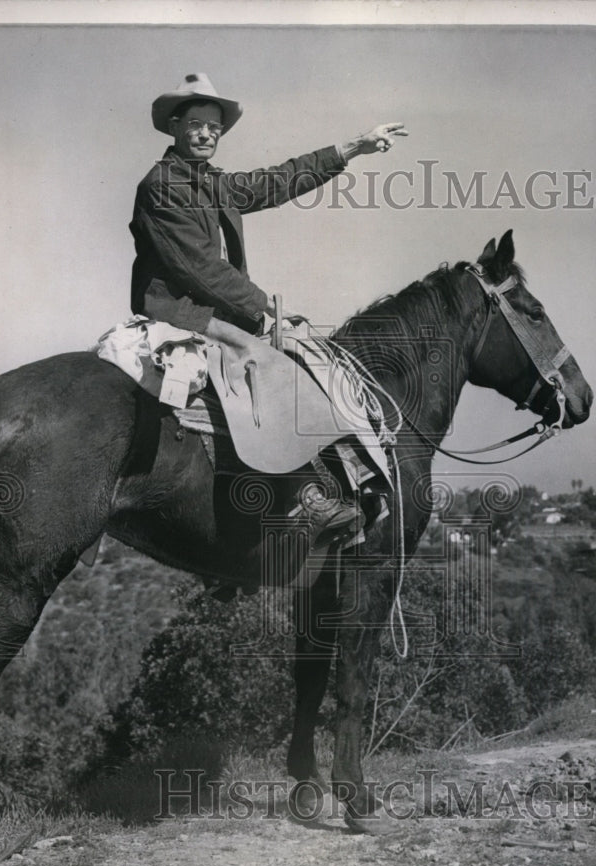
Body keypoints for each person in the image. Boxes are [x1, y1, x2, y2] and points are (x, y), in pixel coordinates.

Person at [130, 72, 408, 546]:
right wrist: (265, 312)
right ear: (175, 127)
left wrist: (352, 149)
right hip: (179, 311)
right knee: (277, 365)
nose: (205, 134)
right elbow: (198, 269)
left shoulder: (211, 182)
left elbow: (274, 181)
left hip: (212, 308)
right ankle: (300, 501)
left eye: (214, 128)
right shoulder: (162, 185)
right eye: (196, 124)